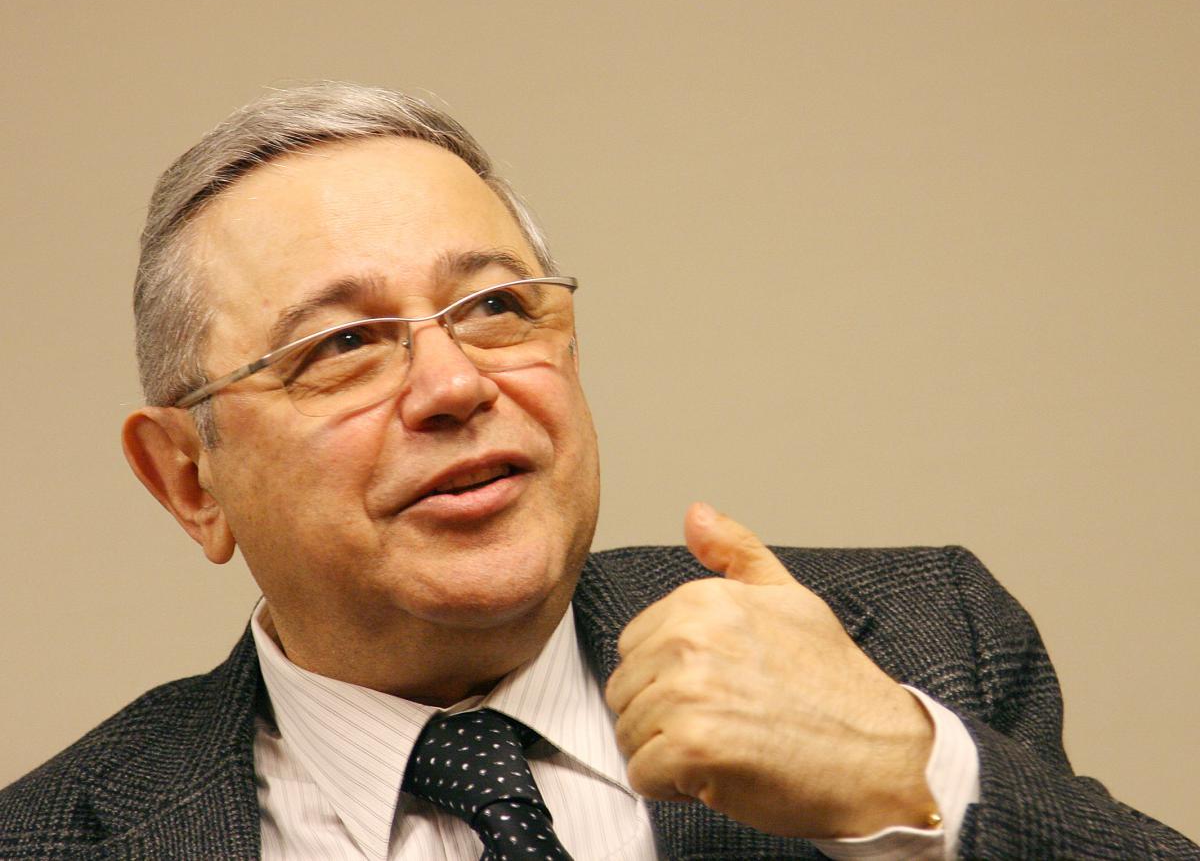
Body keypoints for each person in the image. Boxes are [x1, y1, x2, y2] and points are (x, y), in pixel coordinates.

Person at [0, 83, 1194, 861]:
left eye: (498, 307)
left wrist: (911, 776)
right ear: (188, 479)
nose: (455, 385)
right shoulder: (51, 839)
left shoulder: (921, 647)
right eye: (346, 343)